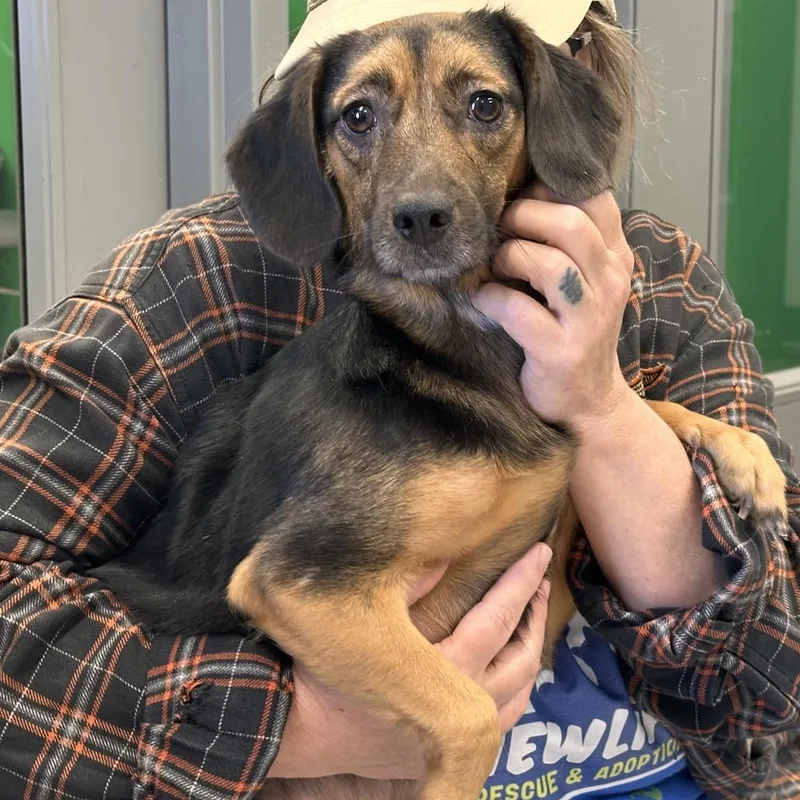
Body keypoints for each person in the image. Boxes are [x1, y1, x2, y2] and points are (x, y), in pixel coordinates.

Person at [0, 0, 797, 798]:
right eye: (362, 118)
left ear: (569, 82)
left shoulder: (667, 284)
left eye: (480, 106)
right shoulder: (196, 278)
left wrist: (605, 407)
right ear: (314, 141)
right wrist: (303, 731)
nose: (421, 189)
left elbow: (770, 706)